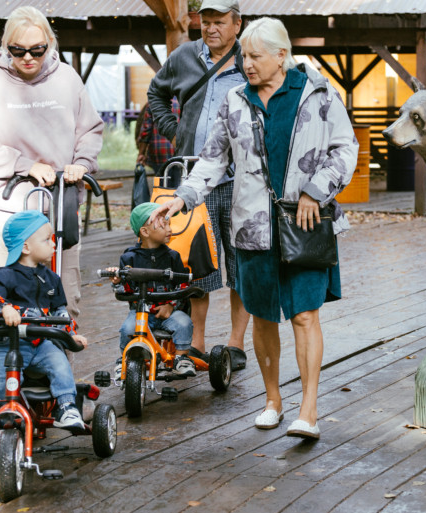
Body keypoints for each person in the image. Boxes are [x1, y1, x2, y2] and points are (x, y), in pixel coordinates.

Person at [151, 17, 358, 439]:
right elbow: (211, 160)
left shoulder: (317, 94)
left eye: (255, 56)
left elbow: (345, 148)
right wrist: (182, 197)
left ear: (282, 56)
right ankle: (272, 401)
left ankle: (309, 409)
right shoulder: (234, 101)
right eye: (243, 55)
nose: (246, 63)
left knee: (303, 316)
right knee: (263, 317)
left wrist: (315, 191)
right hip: (252, 228)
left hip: (305, 223)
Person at [0, 6, 104, 320]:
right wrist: (24, 164)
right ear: (5, 46)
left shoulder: (66, 77)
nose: (28, 58)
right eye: (18, 50)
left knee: (65, 304)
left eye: (37, 50)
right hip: (9, 209)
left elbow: (89, 129)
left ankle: (61, 369)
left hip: (58, 208)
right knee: (16, 306)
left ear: (50, 44)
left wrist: (82, 162)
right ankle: (13, 370)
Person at [147, 0, 250, 371]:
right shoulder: (184, 56)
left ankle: (236, 344)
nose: (210, 29)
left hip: (239, 182)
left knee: (241, 262)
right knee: (195, 265)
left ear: (237, 23)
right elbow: (156, 93)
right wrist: (175, 133)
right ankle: (197, 343)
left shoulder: (248, 58)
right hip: (192, 180)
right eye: (204, 22)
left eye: (219, 22)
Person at [0, 210, 88, 444]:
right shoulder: (6, 276)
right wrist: (5, 308)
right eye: (47, 240)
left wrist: (71, 334)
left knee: (60, 363)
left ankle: (66, 406)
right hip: (9, 344)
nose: (53, 245)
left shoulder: (52, 279)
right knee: (3, 386)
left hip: (41, 342)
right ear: (26, 247)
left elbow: (60, 312)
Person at [108, 202, 196, 378]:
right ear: (145, 232)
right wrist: (117, 281)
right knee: (127, 328)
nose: (169, 229)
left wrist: (171, 305)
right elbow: (125, 290)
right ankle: (123, 360)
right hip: (141, 312)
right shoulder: (129, 258)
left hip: (169, 311)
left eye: (169, 223)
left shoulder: (173, 257)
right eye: (163, 225)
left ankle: (181, 358)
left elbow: (182, 285)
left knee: (184, 322)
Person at [136, 101, 177, 175]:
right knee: (178, 182)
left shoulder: (153, 102)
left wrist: (141, 153)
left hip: (159, 154)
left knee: (161, 184)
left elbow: (146, 130)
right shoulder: (183, 100)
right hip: (179, 152)